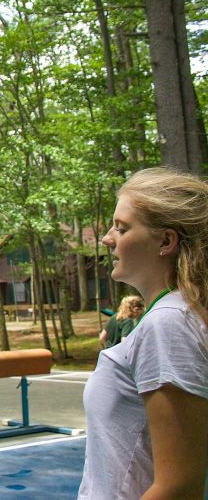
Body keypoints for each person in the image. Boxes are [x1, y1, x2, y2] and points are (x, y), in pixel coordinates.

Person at [79, 167, 208, 499]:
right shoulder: (174, 315)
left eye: (121, 228)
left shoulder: (169, 324)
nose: (108, 238)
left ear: (166, 240)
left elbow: (179, 487)